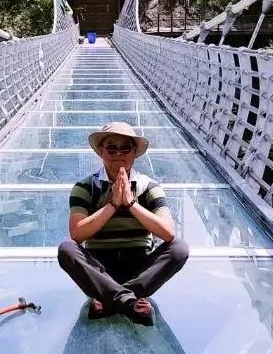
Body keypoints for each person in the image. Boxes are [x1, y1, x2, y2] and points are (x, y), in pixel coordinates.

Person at [57, 121, 189, 325]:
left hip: (138, 267)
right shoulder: (85, 188)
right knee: (66, 249)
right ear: (101, 151)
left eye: (125, 148)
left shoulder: (149, 187)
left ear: (134, 152)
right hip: (100, 267)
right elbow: (77, 234)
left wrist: (131, 203)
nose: (118, 153)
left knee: (180, 248)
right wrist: (112, 204)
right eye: (111, 147)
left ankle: (110, 299)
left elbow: (168, 233)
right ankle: (129, 302)